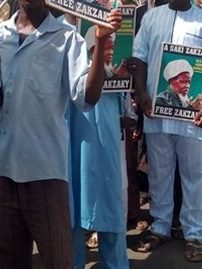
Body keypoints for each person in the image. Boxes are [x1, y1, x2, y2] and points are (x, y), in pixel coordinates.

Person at [0, 0, 121, 269]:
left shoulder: (67, 38)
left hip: (45, 172)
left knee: (58, 259)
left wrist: (100, 42)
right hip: (3, 170)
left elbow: (87, 96)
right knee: (11, 260)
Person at [131, 0, 202, 263]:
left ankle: (193, 234)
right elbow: (140, 60)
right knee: (159, 174)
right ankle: (159, 227)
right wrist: (143, 94)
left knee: (194, 176)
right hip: (158, 114)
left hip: (194, 119)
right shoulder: (151, 18)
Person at [68, 30, 129, 269]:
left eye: (111, 45)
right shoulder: (68, 43)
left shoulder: (116, 71)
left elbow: (124, 106)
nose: (109, 50)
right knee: (71, 199)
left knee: (110, 197)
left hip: (107, 134)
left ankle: (114, 264)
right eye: (103, 45)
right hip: (75, 129)